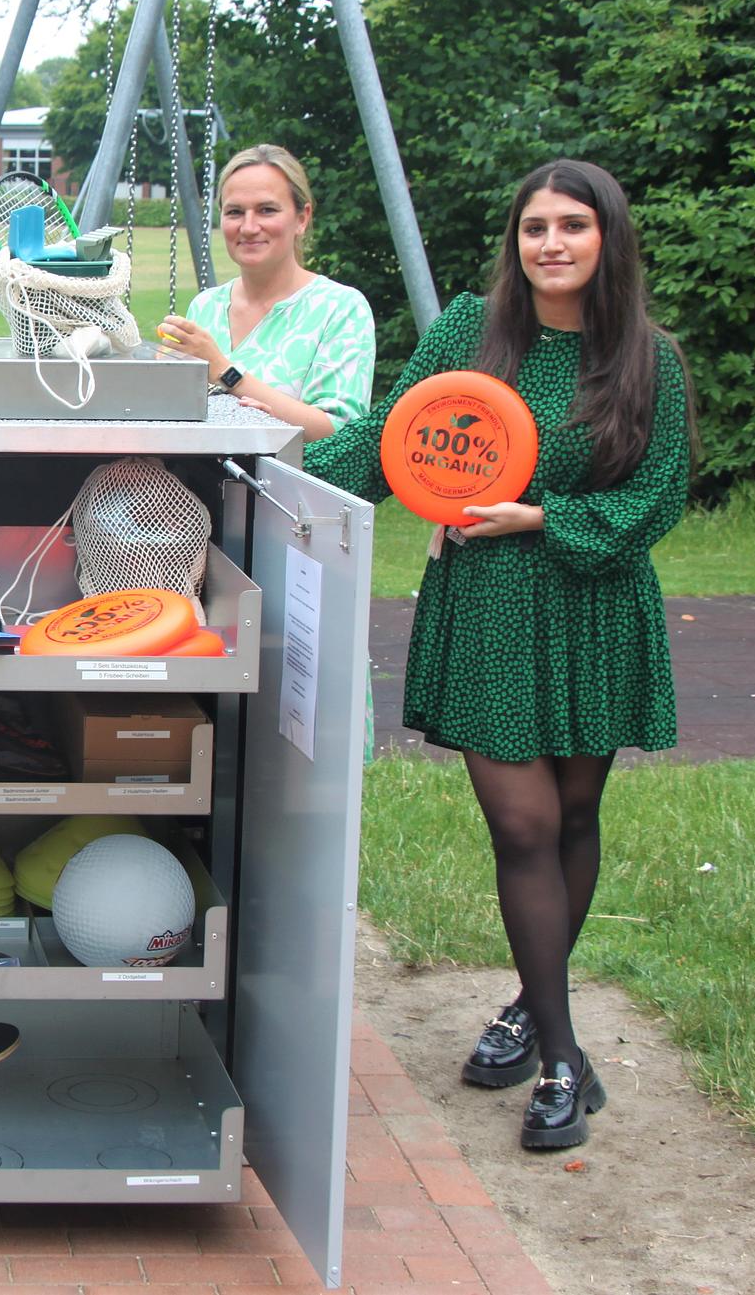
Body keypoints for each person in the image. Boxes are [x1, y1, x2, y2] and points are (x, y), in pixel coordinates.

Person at [303, 159, 693, 1151]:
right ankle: (564, 1057)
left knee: (571, 815)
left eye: (571, 225)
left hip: (590, 606)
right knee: (520, 826)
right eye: (533, 227)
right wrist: (246, 465)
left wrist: (539, 515)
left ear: (606, 237)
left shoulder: (648, 359)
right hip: (486, 611)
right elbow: (386, 445)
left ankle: (529, 1007)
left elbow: (651, 499)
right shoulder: (468, 334)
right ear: (513, 242)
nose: (550, 243)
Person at [154, 144, 374, 438]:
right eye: (235, 212)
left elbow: (340, 431)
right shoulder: (206, 305)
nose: (248, 227)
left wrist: (226, 372)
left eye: (266, 210)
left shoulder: (340, 308)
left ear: (301, 218)